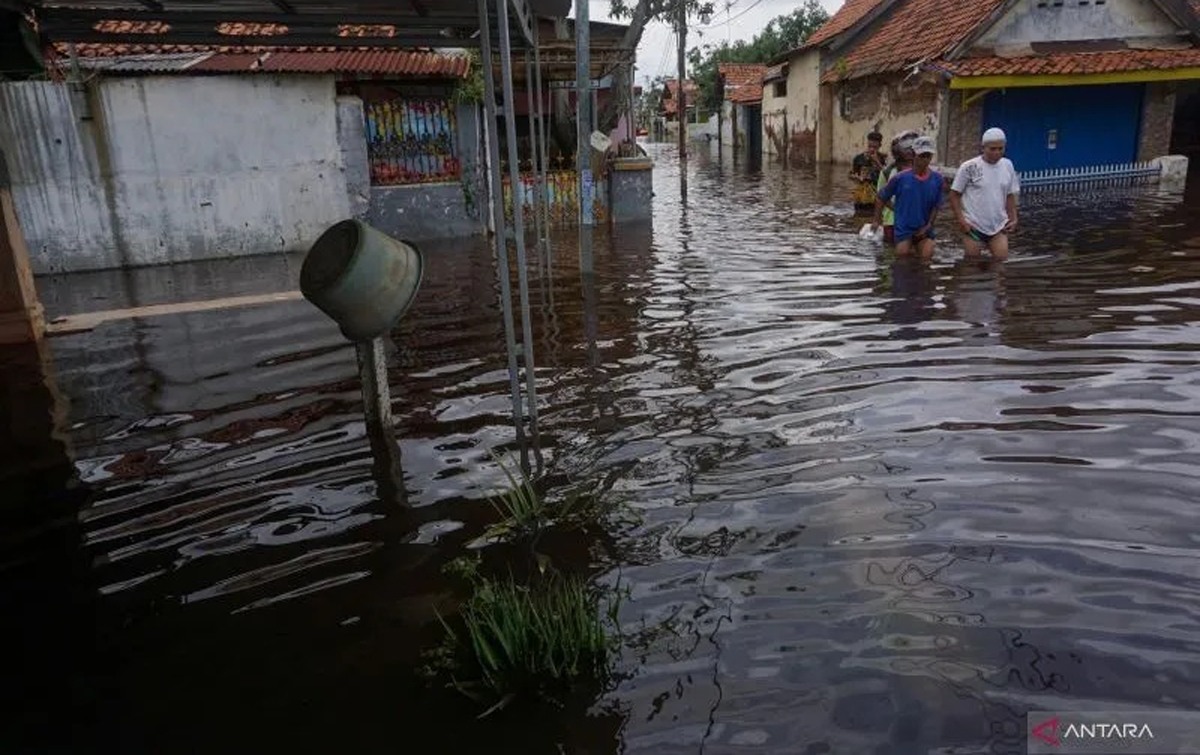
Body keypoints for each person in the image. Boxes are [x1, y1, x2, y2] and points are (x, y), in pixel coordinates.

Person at [949, 127, 1020, 260]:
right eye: (992, 149)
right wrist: (961, 220)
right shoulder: (969, 167)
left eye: (1001, 149)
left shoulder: (1007, 165)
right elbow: (954, 195)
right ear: (983, 148)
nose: (997, 152)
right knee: (972, 264)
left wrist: (1014, 218)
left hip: (998, 225)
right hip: (973, 225)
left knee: (1001, 261)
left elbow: (1009, 194)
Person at [873, 135, 944, 258]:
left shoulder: (937, 179)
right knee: (902, 259)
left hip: (924, 229)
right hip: (904, 229)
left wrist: (928, 226)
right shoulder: (899, 178)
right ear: (914, 155)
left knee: (926, 259)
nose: (925, 160)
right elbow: (881, 197)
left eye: (928, 156)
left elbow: (936, 206)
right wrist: (877, 220)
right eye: (922, 156)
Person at [875, 130, 919, 244]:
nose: (909, 151)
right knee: (890, 252)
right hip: (892, 220)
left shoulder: (922, 171)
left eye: (912, 147)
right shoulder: (888, 172)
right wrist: (877, 220)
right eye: (905, 148)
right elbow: (881, 196)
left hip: (916, 220)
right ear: (897, 150)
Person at [850, 131, 885, 213]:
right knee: (859, 217)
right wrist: (856, 178)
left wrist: (877, 162)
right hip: (862, 195)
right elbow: (852, 174)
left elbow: (888, 176)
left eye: (875, 147)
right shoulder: (858, 158)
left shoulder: (883, 159)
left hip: (877, 195)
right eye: (869, 146)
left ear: (880, 146)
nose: (872, 149)